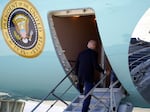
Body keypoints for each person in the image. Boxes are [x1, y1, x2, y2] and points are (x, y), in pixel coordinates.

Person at [75, 40, 104, 112]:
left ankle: (81, 91)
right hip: (88, 77)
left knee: (84, 93)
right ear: (94, 46)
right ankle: (84, 110)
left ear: (88, 45)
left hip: (80, 77)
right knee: (88, 96)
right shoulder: (94, 53)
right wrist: (103, 71)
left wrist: (76, 75)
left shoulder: (81, 53)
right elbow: (95, 66)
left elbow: (77, 65)